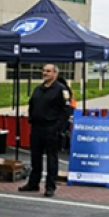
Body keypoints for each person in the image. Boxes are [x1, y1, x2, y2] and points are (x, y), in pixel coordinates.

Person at [19, 64, 72, 198]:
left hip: (51, 128)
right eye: (44, 71)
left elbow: (66, 111)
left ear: (55, 74)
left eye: (48, 71)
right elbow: (32, 104)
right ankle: (33, 183)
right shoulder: (39, 89)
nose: (45, 73)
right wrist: (31, 118)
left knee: (51, 159)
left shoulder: (61, 90)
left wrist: (57, 128)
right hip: (37, 127)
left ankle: (50, 187)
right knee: (35, 157)